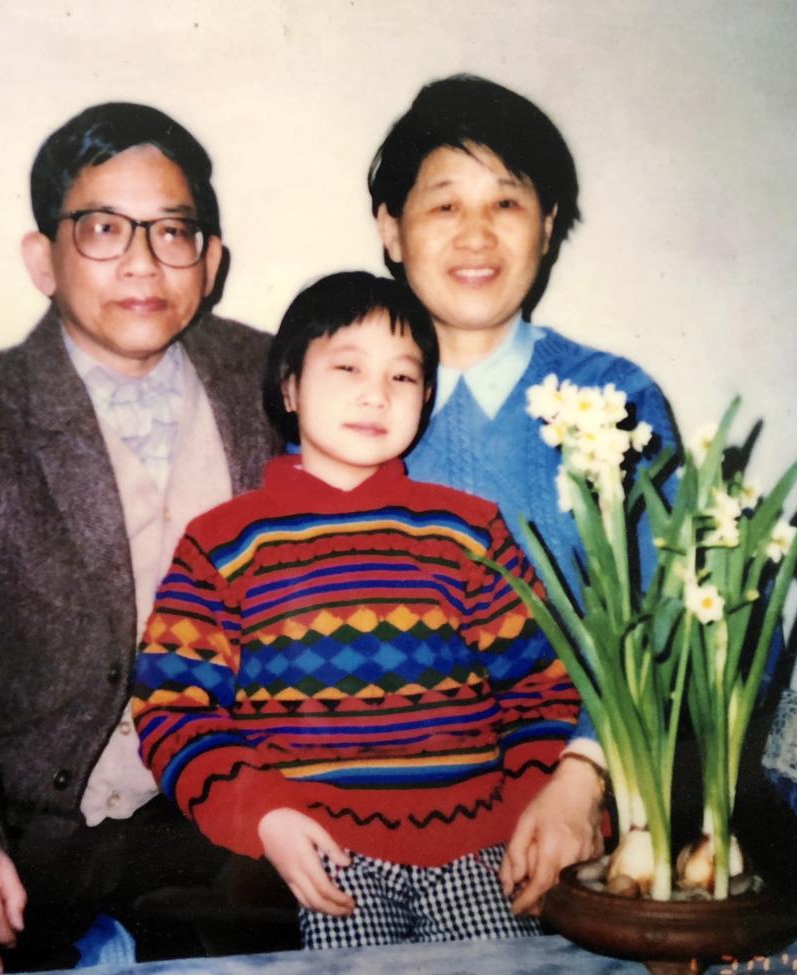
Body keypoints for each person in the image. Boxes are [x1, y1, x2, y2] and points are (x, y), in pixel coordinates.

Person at [0, 102, 282, 975]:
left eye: (172, 231)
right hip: (19, 818)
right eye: (102, 228)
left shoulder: (279, 380)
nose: (142, 261)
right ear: (42, 259)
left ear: (210, 262)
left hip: (220, 806)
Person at [132, 272, 589, 948]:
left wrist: (528, 808)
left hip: (480, 846)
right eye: (347, 367)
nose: (377, 393)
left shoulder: (470, 529)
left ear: (425, 398)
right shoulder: (222, 542)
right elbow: (172, 706)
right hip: (318, 853)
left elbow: (540, 688)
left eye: (403, 376)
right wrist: (261, 817)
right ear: (289, 387)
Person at [369, 74, 680, 915]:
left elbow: (676, 610)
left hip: (592, 805)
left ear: (546, 224)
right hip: (389, 823)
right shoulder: (344, 405)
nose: (476, 234)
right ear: (391, 229)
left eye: (506, 203)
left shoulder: (614, 399)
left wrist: (585, 774)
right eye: (444, 205)